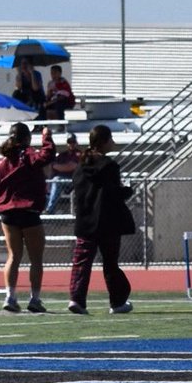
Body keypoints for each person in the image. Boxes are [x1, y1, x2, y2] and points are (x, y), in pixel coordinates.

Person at [0, 122, 56, 313]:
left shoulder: (0, 163)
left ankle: (10, 296)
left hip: (8, 214)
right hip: (29, 212)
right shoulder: (27, 155)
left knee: (13, 256)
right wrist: (47, 136)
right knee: (36, 259)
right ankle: (34, 299)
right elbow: (47, 155)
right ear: (27, 138)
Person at [67, 124, 135, 315]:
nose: (113, 143)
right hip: (108, 222)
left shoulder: (80, 166)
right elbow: (113, 194)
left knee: (81, 262)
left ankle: (76, 299)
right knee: (110, 263)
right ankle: (117, 301)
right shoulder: (110, 166)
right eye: (110, 139)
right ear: (104, 142)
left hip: (85, 222)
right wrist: (128, 190)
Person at [45, 131, 81, 213]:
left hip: (75, 181)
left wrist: (57, 166)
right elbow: (52, 167)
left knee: (57, 179)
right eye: (69, 142)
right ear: (67, 143)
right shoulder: (62, 155)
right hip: (62, 182)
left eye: (73, 142)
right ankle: (49, 210)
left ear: (76, 143)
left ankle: (50, 209)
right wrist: (49, 183)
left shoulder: (79, 154)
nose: (71, 144)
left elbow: (70, 167)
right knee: (53, 181)